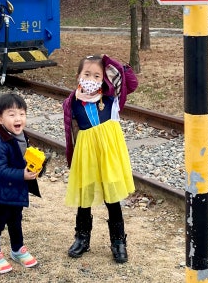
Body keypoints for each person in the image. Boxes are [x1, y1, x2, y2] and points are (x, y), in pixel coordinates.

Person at [62, 54, 138, 263]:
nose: (91, 79)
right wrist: (71, 156)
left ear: (103, 79)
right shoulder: (72, 102)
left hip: (109, 154)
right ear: (78, 76)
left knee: (112, 198)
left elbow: (131, 84)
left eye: (97, 75)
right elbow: (70, 130)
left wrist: (115, 65)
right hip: (86, 153)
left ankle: (118, 241)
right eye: (87, 74)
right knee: (84, 197)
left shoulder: (110, 98)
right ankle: (82, 238)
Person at [0, 93, 40, 274]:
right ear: (0, 119)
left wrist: (35, 167)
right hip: (0, 194)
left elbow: (23, 160)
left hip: (16, 191)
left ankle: (17, 249)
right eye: (12, 114)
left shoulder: (22, 137)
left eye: (22, 113)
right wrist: (22, 175)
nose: (18, 118)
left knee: (16, 221)